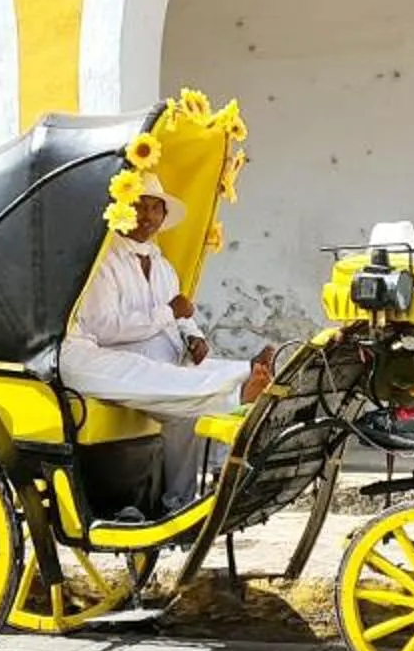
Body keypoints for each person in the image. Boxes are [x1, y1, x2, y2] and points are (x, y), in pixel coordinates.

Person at [59, 173, 276, 518]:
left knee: (189, 393)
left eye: (154, 208)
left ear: (163, 215)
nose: (147, 217)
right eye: (138, 207)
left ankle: (181, 503)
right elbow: (105, 328)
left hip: (168, 356)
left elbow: (182, 314)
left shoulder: (162, 265)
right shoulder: (105, 262)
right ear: (121, 212)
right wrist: (168, 314)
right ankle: (241, 381)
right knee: (175, 388)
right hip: (124, 355)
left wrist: (193, 334)